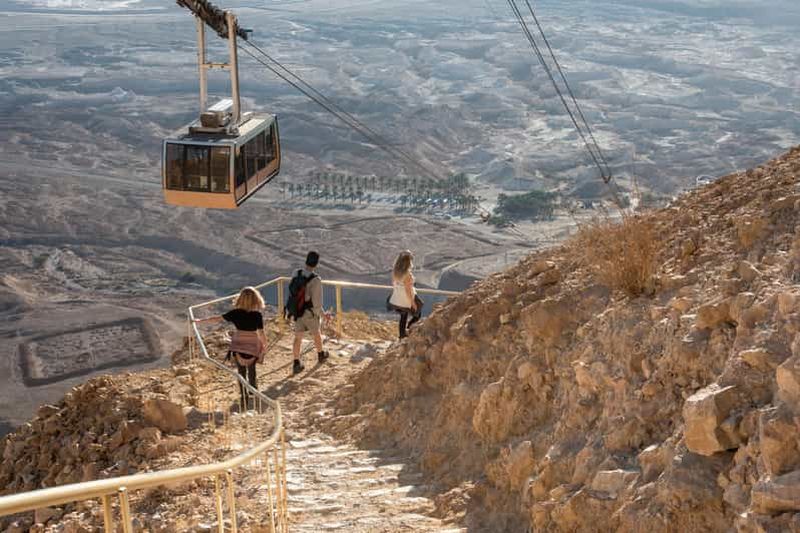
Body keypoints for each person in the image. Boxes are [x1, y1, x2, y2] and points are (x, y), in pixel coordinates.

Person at [194, 287, 267, 407]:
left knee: (241, 372)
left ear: (240, 299)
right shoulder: (257, 315)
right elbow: (261, 333)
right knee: (252, 370)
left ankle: (244, 397)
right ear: (256, 300)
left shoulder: (235, 313)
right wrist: (264, 346)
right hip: (253, 345)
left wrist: (199, 321)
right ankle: (253, 392)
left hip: (238, 345)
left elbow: (216, 319)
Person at [291, 251, 329, 375]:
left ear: (306, 260)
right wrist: (322, 314)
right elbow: (317, 302)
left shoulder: (296, 273)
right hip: (309, 312)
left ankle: (296, 363)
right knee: (316, 333)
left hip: (297, 310)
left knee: (298, 337)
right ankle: (321, 354)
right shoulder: (316, 280)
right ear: (316, 264)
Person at [388, 250, 423, 339]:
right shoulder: (407, 274)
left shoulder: (395, 272)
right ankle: (409, 328)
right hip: (406, 298)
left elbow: (394, 284)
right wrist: (412, 303)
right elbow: (408, 290)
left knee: (403, 316)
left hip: (397, 298)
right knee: (417, 313)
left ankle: (402, 335)